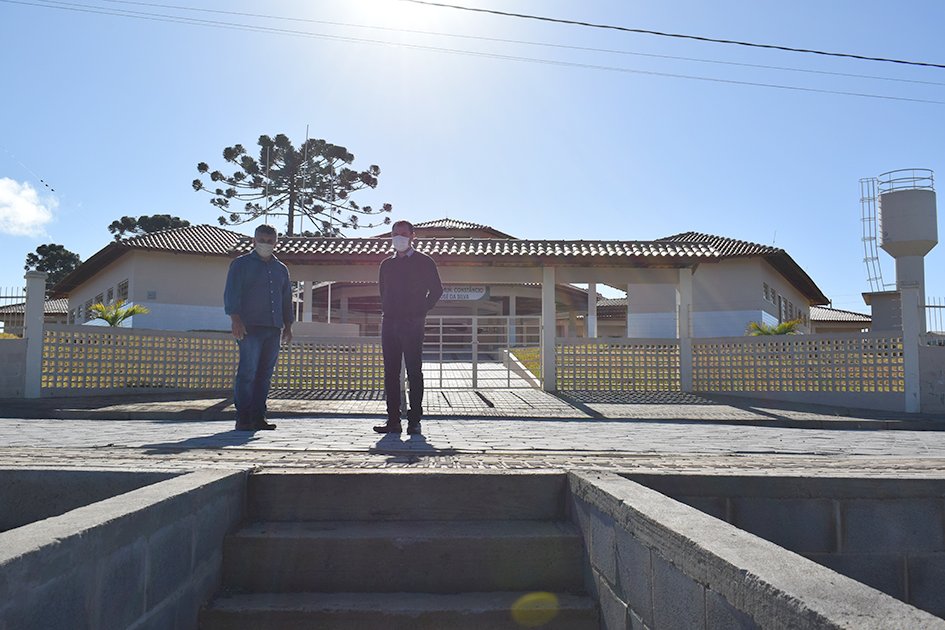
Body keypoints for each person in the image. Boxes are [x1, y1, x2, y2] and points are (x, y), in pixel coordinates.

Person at [374, 220, 442, 435]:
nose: (399, 238)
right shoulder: (386, 264)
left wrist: (421, 310)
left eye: (403, 233)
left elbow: (437, 290)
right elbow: (382, 291)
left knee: (414, 371)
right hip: (390, 322)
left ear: (413, 236)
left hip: (413, 323)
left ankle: (414, 421)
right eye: (395, 234)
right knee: (390, 372)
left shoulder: (424, 262)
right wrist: (388, 309)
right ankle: (393, 420)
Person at [224, 224, 293, 431]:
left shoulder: (281, 269)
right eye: (261, 240)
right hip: (249, 327)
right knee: (248, 371)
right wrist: (235, 319)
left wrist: (288, 326)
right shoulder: (240, 264)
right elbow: (232, 293)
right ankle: (243, 417)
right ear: (254, 241)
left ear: (276, 242)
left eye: (269, 241)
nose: (265, 244)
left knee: (265, 374)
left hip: (273, 328)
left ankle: (258, 417)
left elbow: (286, 299)